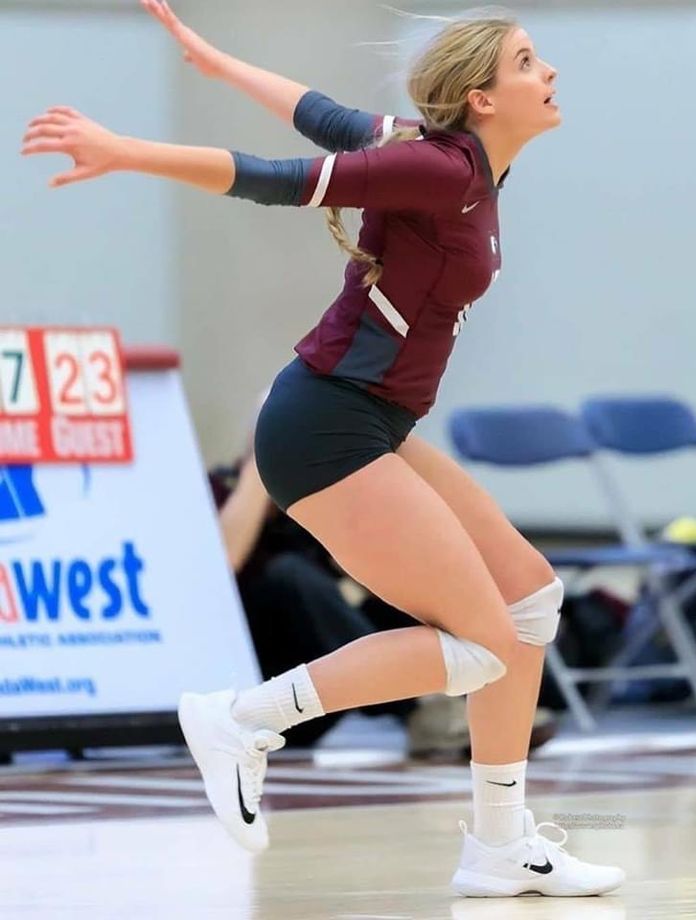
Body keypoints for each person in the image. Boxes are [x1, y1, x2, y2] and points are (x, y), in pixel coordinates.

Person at [21, 0, 624, 897]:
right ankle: (239, 717)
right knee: (481, 643)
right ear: (482, 98)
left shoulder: (460, 161)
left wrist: (218, 63)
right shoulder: (435, 167)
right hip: (324, 424)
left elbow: (322, 115)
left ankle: (500, 845)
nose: (551, 73)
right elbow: (276, 175)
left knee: (530, 602)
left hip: (373, 419)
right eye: (530, 61)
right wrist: (128, 152)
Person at [212, 394, 558, 755]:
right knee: (292, 576)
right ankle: (424, 711)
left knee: (414, 587)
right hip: (266, 658)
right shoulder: (220, 488)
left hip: (327, 668)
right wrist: (260, 473)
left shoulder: (325, 486)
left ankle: (483, 696)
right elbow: (225, 561)